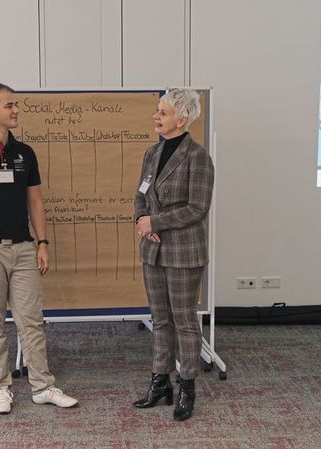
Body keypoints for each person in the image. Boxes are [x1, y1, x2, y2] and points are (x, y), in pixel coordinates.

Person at [0, 83, 78, 415]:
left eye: (16, 105)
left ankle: (43, 386)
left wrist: (43, 243)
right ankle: (0, 387)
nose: (16, 110)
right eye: (9, 106)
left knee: (31, 321)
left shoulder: (25, 154)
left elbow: (35, 201)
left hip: (23, 247)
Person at [133, 88, 213, 421]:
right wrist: (142, 221)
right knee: (160, 321)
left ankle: (187, 388)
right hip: (153, 248)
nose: (156, 116)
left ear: (181, 118)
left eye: (162, 113)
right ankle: (160, 382)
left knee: (184, 324)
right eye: (157, 110)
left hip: (183, 252)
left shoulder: (198, 157)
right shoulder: (152, 153)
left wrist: (157, 221)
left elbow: (198, 208)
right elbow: (140, 195)